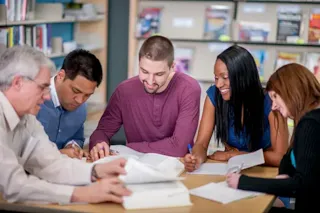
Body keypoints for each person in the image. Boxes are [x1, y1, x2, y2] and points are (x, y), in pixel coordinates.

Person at [0, 46, 131, 204]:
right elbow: (14, 186)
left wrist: (96, 171)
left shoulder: (27, 118)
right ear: (17, 83)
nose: (48, 96)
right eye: (42, 87)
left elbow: (50, 163)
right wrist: (82, 194)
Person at [89, 35, 201, 160]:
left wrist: (131, 148)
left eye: (159, 74)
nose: (150, 81)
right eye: (144, 71)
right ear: (139, 63)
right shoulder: (124, 90)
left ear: (172, 67)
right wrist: (99, 144)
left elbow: (179, 148)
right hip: (136, 166)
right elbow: (101, 131)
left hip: (175, 165)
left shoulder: (188, 88)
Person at [226, 63, 320, 212]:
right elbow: (294, 166)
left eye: (275, 97)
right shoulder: (310, 118)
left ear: (292, 90)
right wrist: (285, 179)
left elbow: (302, 185)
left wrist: (244, 182)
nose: (273, 106)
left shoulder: (310, 124)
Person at [184, 45, 289, 172]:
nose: (218, 84)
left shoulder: (272, 102)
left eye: (225, 77)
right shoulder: (214, 96)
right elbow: (201, 144)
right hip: (231, 169)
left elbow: (280, 157)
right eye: (216, 78)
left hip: (264, 171)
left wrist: (233, 155)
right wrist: (195, 159)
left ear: (243, 76)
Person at [36, 49, 103, 159]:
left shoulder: (81, 108)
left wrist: (72, 146)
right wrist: (60, 154)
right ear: (61, 76)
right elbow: (22, 152)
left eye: (87, 95)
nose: (80, 100)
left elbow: (77, 137)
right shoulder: (35, 99)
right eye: (76, 91)